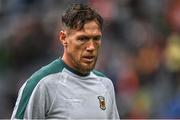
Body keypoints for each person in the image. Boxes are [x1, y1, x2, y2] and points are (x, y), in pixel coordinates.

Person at [11, 3, 120, 119]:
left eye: (96, 38)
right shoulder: (41, 84)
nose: (91, 47)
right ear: (63, 38)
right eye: (83, 39)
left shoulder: (105, 84)